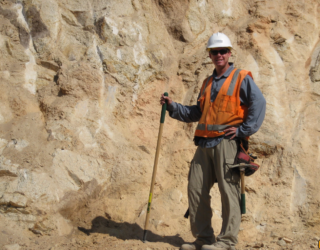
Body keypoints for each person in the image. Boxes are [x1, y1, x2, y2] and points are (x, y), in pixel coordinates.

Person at [160, 32, 266, 250]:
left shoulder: (241, 77)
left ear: (229, 53)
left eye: (223, 51)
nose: (219, 55)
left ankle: (226, 242)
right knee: (195, 188)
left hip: (227, 143)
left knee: (229, 191)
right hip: (204, 144)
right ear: (209, 54)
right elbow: (196, 112)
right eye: (214, 51)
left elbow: (259, 103)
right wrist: (172, 106)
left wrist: (242, 131)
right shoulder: (207, 82)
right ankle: (204, 239)